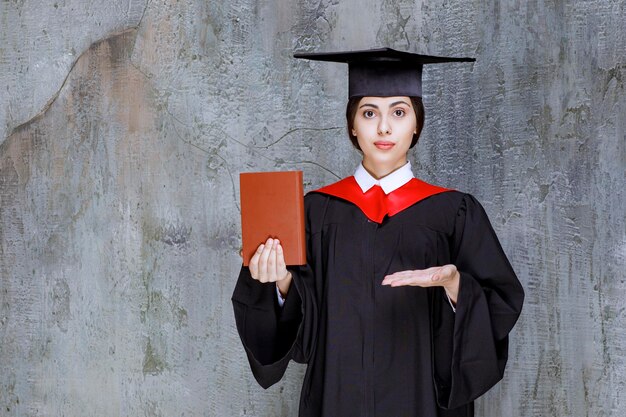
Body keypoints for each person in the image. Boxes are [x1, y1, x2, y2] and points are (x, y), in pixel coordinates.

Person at [232, 48, 524, 417]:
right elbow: (300, 336)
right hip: (336, 400)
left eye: (399, 113)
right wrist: (281, 286)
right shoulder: (315, 211)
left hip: (421, 402)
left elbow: (500, 304)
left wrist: (456, 287)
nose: (383, 128)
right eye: (369, 113)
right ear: (352, 124)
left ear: (416, 123)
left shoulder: (453, 212)